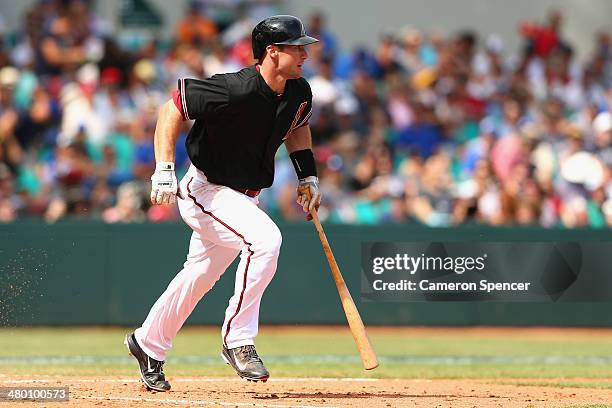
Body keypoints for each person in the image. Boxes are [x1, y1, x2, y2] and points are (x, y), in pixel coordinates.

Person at [124, 15, 320, 391]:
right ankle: (238, 340)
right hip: (206, 190)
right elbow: (173, 108)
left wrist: (306, 175)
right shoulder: (235, 89)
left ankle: (147, 342)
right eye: (297, 47)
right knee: (265, 241)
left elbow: (297, 125)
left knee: (199, 275)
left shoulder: (298, 91)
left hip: (245, 197)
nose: (304, 54)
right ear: (272, 52)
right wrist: (163, 168)